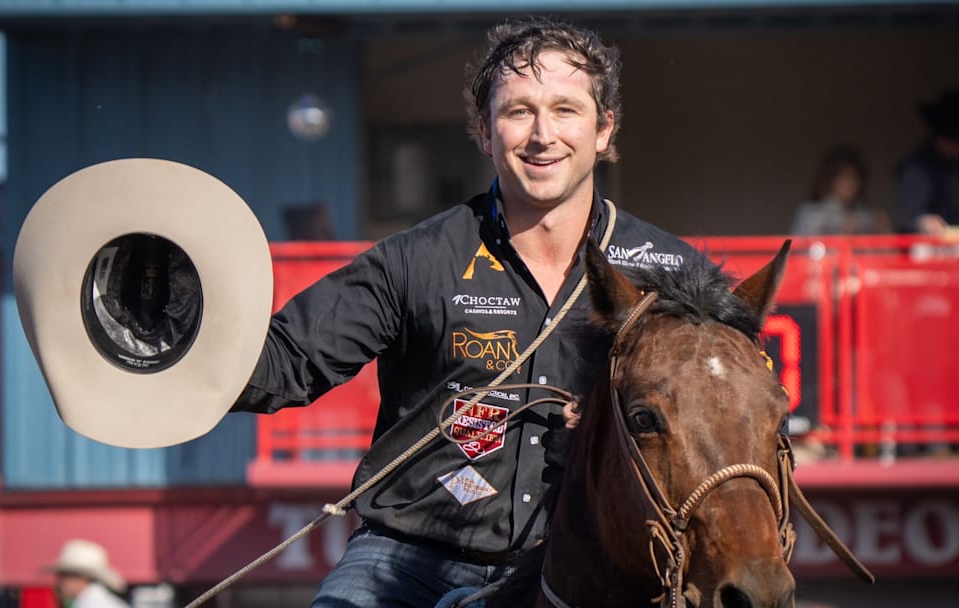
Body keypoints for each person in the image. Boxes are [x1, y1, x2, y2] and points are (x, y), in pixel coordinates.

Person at [227, 17, 712, 607]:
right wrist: (168, 328)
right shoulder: (415, 260)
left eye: (565, 110)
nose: (542, 134)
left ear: (604, 130)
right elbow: (285, 363)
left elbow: (727, 417)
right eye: (518, 112)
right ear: (485, 132)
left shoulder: (673, 274)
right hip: (405, 559)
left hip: (580, 569)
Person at [892, 88, 959, 235]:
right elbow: (909, 215)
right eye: (951, 138)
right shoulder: (918, 166)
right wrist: (923, 222)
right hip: (935, 247)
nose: (956, 146)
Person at [790, 144, 888, 235]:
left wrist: (884, 233)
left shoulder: (866, 215)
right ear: (830, 179)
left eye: (855, 178)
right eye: (844, 177)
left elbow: (883, 250)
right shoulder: (811, 213)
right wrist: (841, 236)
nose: (850, 184)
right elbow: (798, 249)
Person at [45, 539, 130, 608]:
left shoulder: (91, 603)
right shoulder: (94, 600)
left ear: (83, 578)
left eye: (64, 575)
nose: (59, 582)